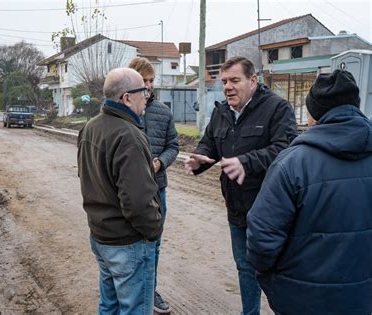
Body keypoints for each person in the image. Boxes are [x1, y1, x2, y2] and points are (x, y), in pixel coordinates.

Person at [246, 70, 372, 315]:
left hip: (302, 300)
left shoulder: (292, 164)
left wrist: (273, 283)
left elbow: (261, 240)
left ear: (313, 113)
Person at [184, 56, 297, 315]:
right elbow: (209, 144)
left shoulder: (277, 108)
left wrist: (246, 162)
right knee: (245, 267)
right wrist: (199, 160)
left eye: (235, 80)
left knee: (278, 267)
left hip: (272, 209)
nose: (227, 87)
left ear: (253, 80)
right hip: (237, 208)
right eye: (224, 81)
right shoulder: (221, 111)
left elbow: (286, 150)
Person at [77, 68, 163, 315]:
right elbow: (137, 202)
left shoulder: (90, 127)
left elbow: (87, 180)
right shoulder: (129, 135)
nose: (147, 96)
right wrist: (154, 230)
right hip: (127, 242)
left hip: (101, 236)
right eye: (143, 91)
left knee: (109, 306)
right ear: (126, 97)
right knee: (133, 309)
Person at [129, 56, 178, 314]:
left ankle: (151, 289)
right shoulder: (122, 113)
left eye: (151, 81)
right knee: (130, 244)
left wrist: (161, 161)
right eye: (143, 81)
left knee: (154, 243)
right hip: (127, 192)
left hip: (157, 190)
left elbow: (174, 146)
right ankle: (132, 292)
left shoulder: (163, 112)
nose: (148, 86)